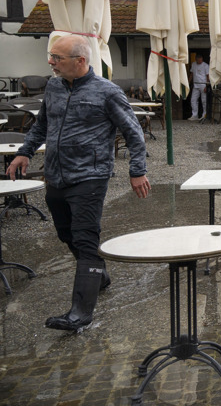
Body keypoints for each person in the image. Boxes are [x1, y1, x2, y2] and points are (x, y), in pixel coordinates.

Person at [6, 34, 151, 332]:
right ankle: (100, 275)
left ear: (80, 61)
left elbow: (134, 133)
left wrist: (137, 171)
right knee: (65, 233)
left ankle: (80, 313)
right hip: (56, 175)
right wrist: (25, 152)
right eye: (51, 57)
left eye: (57, 58)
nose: (51, 63)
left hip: (90, 176)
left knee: (85, 239)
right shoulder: (54, 87)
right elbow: (43, 125)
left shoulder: (107, 92)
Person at [188, 54, 210, 121]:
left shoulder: (205, 65)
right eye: (197, 60)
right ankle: (195, 115)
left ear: (202, 59)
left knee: (204, 101)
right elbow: (191, 74)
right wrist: (188, 82)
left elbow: (207, 76)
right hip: (195, 84)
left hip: (203, 84)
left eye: (200, 60)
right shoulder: (193, 64)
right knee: (193, 100)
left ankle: (204, 115)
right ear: (196, 59)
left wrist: (207, 85)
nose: (199, 61)